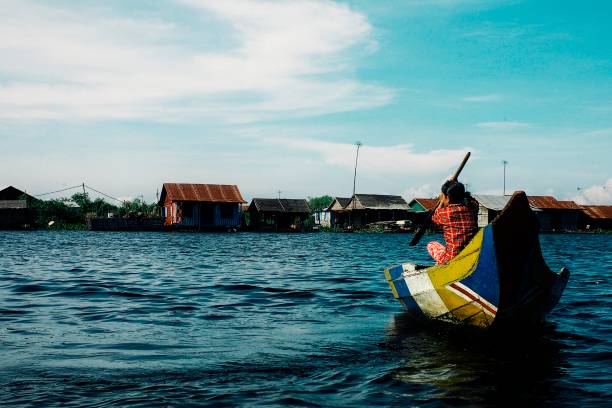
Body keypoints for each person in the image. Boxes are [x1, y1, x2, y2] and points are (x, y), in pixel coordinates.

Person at [427, 180, 477, 264]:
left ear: (447, 197)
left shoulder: (443, 213)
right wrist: (456, 186)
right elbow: (473, 201)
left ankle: (441, 264)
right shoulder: (472, 208)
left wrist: (441, 202)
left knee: (431, 244)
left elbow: (434, 217)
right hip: (471, 254)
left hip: (451, 258)